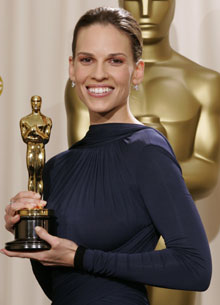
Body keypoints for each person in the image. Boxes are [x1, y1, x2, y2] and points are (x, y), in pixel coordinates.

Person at [2, 7, 212, 305]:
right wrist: (32, 231)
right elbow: (60, 284)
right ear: (72, 68)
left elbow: (196, 268)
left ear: (137, 71)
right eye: (87, 60)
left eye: (115, 60)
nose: (98, 73)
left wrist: (80, 257)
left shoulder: (147, 151)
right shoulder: (56, 168)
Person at [20, 95, 52, 196]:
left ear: (41, 103)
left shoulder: (46, 120)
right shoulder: (25, 120)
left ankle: (38, 201)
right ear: (30, 103)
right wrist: (31, 131)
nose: (35, 104)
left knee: (39, 175)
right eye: (33, 101)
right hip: (30, 148)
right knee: (31, 176)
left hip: (40, 148)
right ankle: (32, 201)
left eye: (38, 101)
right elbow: (25, 137)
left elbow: (46, 138)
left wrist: (36, 132)